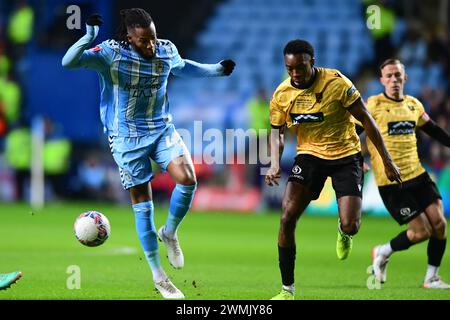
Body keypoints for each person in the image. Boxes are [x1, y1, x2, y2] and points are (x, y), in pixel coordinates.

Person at [61, 8, 235, 299]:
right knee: (143, 203)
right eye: (143, 41)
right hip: (127, 139)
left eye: (152, 38)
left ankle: (169, 231)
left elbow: (181, 66)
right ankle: (159, 276)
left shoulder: (165, 50)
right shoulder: (111, 54)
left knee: (188, 179)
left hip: (162, 130)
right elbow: (69, 62)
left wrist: (215, 69)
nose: (151, 45)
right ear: (129, 38)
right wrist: (88, 36)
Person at [265, 39, 401, 300]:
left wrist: (386, 160)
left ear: (312, 62)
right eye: (289, 69)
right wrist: (273, 163)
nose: (295, 74)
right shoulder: (282, 94)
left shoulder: (336, 83)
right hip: (309, 157)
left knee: (351, 225)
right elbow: (277, 133)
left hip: (346, 156)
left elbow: (366, 120)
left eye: (300, 68)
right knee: (286, 218)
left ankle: (343, 231)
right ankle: (287, 290)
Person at [367, 59, 450, 289]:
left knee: (440, 225)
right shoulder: (372, 105)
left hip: (418, 174)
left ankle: (431, 278)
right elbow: (353, 132)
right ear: (382, 80)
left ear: (406, 78)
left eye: (398, 75)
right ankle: (383, 251)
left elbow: (432, 129)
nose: (394, 79)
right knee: (421, 231)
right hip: (391, 181)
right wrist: (355, 160)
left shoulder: (414, 105)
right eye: (389, 76)